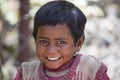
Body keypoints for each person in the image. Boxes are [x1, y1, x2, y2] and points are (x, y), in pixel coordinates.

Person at [15, 0, 110, 80]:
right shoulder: (26, 73)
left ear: (78, 43)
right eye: (43, 42)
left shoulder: (91, 70)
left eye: (61, 42)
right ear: (35, 40)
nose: (51, 51)